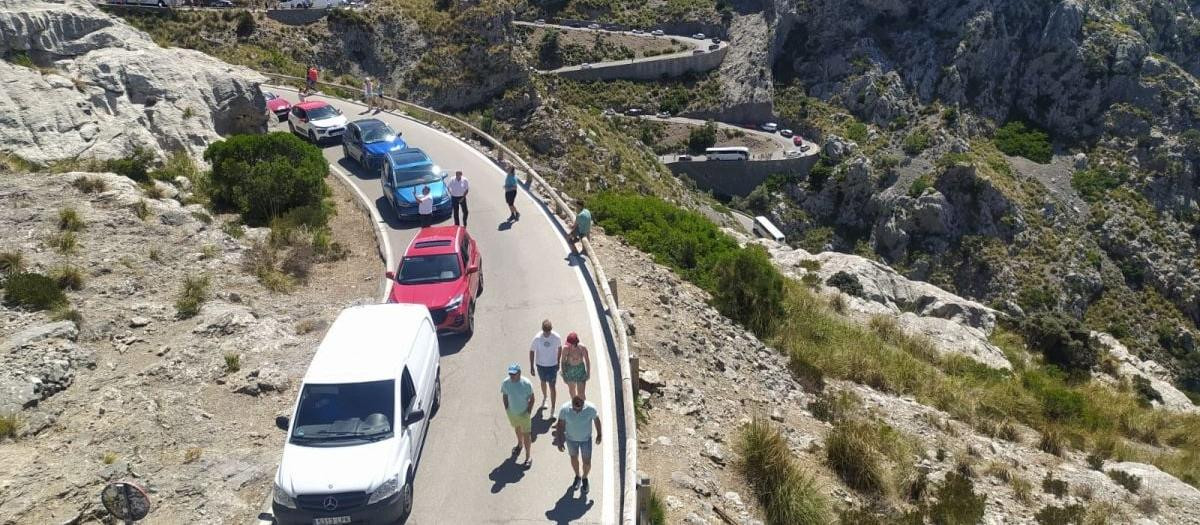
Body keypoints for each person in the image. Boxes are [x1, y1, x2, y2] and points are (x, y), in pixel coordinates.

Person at [555, 395, 601, 494]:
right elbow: (560, 424)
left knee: (587, 462)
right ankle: (577, 475)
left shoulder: (591, 408)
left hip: (586, 440)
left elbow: (596, 420)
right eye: (575, 408)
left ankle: (584, 477)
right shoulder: (565, 409)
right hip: (571, 439)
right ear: (572, 403)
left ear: (583, 404)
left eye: (579, 408)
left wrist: (599, 434)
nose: (577, 411)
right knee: (573, 458)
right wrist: (559, 440)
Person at [501, 363, 534, 467]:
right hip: (512, 413)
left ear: (519, 373)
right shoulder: (506, 383)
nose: (511, 376)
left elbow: (532, 398)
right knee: (517, 428)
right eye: (510, 374)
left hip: (524, 413)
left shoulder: (526, 384)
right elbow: (505, 395)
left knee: (526, 434)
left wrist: (528, 412)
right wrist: (507, 408)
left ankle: (528, 457)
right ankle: (519, 444)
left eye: (513, 374)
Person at [529, 319, 562, 413]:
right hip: (541, 365)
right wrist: (532, 366)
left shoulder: (556, 337)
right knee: (543, 381)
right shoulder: (537, 338)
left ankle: (553, 408)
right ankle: (545, 397)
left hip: (552, 365)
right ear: (542, 329)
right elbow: (532, 351)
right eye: (545, 331)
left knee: (552, 386)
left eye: (549, 331)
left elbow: (560, 348)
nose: (547, 334)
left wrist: (558, 361)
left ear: (551, 329)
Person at [560, 332, 590, 401]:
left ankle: (583, 405)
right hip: (569, 371)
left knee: (581, 394)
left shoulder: (582, 348)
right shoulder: (565, 349)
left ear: (575, 344)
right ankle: (574, 404)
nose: (568, 345)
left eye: (570, 344)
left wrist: (588, 373)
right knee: (572, 391)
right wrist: (564, 375)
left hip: (580, 371)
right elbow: (563, 362)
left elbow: (587, 361)